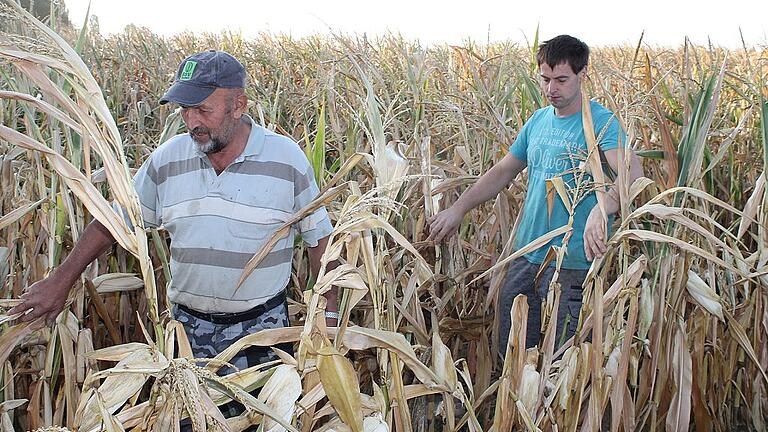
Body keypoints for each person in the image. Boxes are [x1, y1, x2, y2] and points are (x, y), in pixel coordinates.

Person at [10, 50, 338, 371]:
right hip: (186, 332)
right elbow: (111, 224)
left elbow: (319, 240)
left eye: (203, 110)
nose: (192, 122)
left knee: (262, 424)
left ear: (238, 105)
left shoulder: (286, 159)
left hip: (263, 332)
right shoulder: (167, 160)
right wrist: (60, 281)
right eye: (185, 110)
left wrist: (330, 320)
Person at [427, 35, 644, 353]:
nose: (551, 89)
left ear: (583, 74)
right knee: (511, 350)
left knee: (560, 361)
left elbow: (632, 175)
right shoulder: (538, 122)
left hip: (571, 263)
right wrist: (459, 208)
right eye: (545, 79)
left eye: (561, 80)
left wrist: (603, 208)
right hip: (525, 255)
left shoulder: (602, 123)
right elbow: (503, 171)